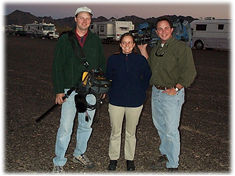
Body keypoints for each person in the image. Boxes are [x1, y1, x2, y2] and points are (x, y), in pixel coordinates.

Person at [138, 17, 197, 171]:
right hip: (157, 93)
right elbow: (150, 66)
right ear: (156, 32)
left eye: (166, 28)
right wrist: (143, 51)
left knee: (171, 130)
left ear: (171, 30)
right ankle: (165, 153)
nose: (163, 31)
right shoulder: (158, 46)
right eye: (160, 29)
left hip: (172, 94)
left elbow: (190, 72)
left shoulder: (181, 48)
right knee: (160, 126)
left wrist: (176, 89)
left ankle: (173, 165)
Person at [52, 6, 106, 173]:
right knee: (66, 127)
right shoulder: (64, 40)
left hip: (90, 91)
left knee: (86, 125)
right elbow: (57, 66)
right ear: (75, 19)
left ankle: (79, 153)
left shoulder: (95, 41)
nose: (84, 21)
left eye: (88, 18)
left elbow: (101, 65)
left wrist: (101, 87)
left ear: (91, 21)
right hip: (69, 90)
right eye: (81, 18)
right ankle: (59, 160)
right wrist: (59, 90)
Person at [106, 33, 151, 171]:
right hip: (116, 102)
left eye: (129, 42)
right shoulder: (113, 59)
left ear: (133, 45)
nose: (127, 45)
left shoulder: (140, 60)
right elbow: (108, 77)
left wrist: (140, 92)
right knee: (115, 131)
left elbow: (147, 77)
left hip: (135, 102)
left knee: (131, 133)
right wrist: (111, 92)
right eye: (124, 43)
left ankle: (129, 159)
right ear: (120, 44)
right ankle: (113, 159)